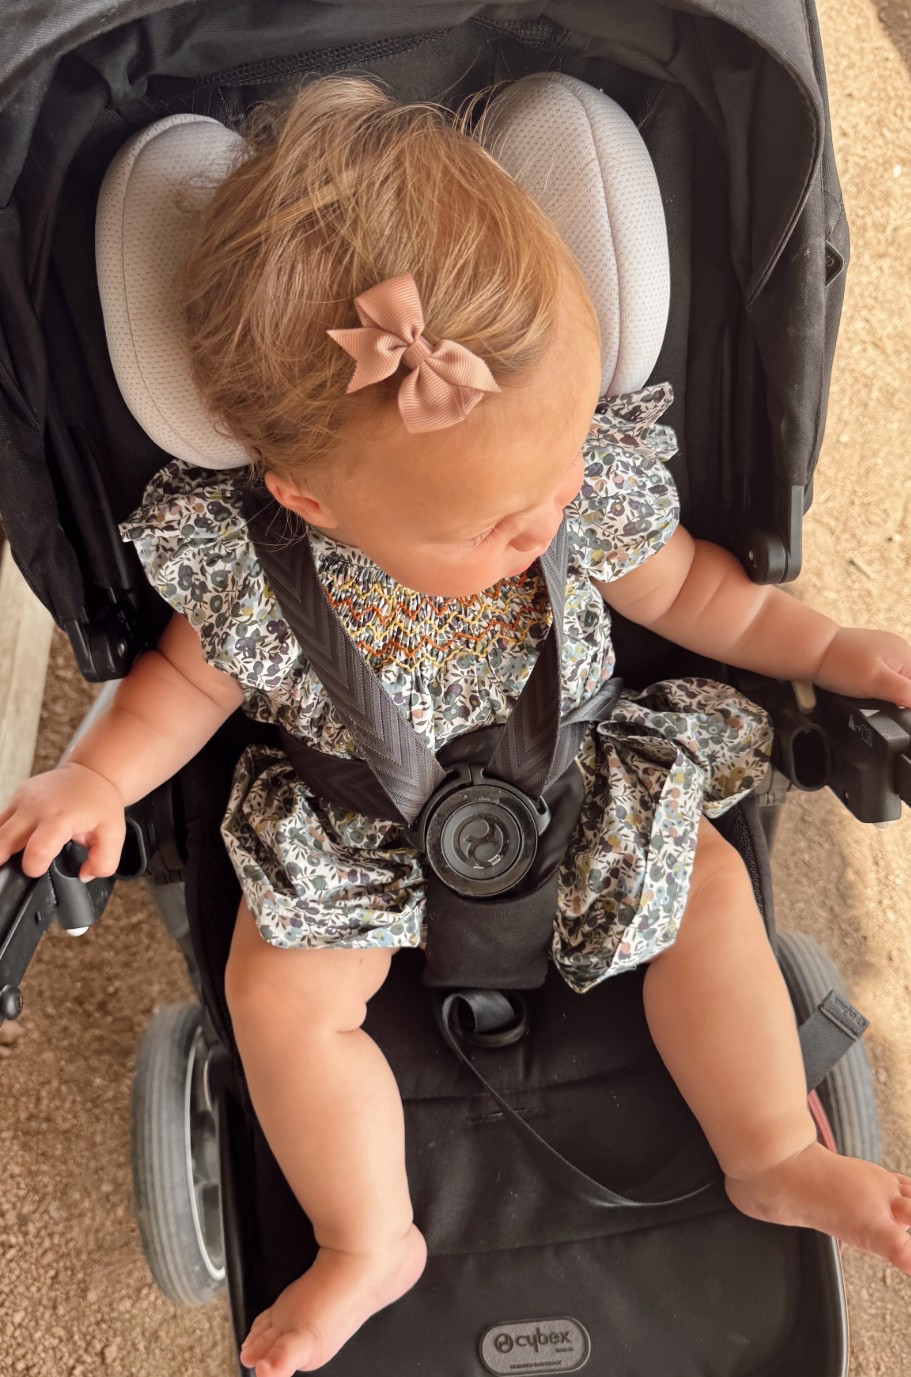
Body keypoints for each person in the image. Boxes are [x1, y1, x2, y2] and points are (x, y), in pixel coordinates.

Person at [2, 75, 910, 1377]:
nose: (540, 528)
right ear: (309, 499)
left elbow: (698, 590)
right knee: (277, 987)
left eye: (551, 491)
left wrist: (824, 647)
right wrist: (94, 772)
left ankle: (772, 1148)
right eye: (491, 528)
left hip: (580, 782)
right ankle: (371, 1234)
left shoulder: (570, 483)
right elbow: (183, 686)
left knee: (709, 890)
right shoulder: (255, 563)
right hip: (352, 828)